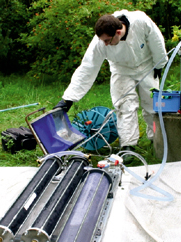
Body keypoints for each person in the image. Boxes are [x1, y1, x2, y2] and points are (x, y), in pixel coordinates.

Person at [54, 9, 168, 155]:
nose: (105, 44)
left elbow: (156, 41)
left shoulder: (140, 22)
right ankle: (128, 146)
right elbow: (87, 68)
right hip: (121, 70)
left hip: (147, 66)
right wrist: (68, 99)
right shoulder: (100, 43)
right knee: (124, 106)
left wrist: (160, 64)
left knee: (152, 106)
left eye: (108, 40)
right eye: (103, 41)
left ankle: (156, 139)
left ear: (118, 32)